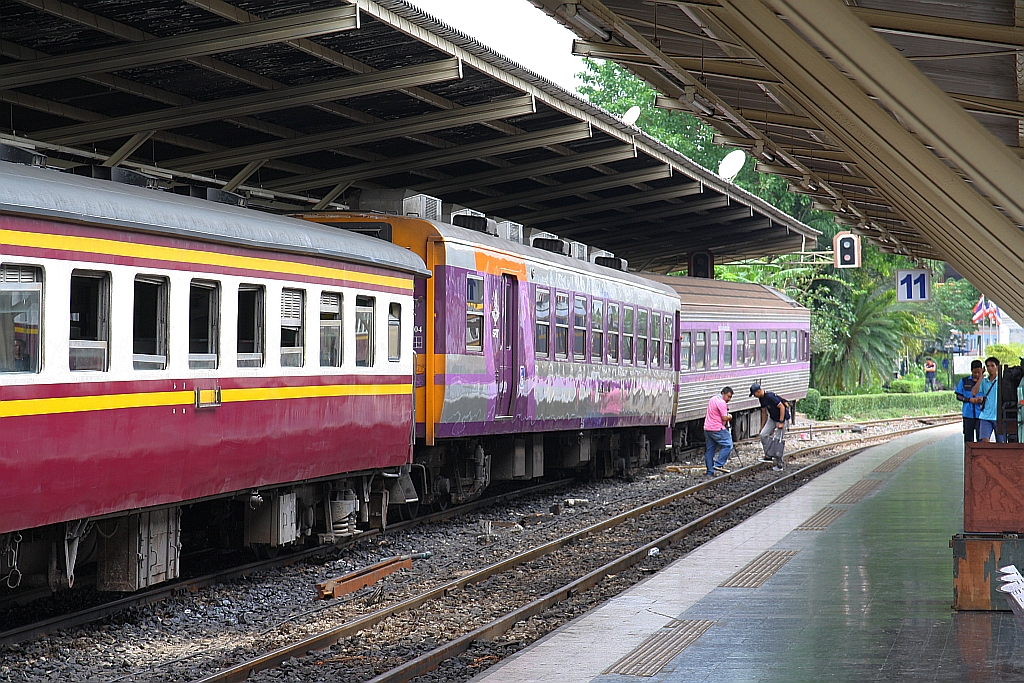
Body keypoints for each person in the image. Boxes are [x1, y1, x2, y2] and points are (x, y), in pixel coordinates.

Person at [751, 383, 790, 471]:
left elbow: (782, 408)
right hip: (772, 419)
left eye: (754, 394)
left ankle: (779, 464)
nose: (754, 396)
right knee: (763, 434)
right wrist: (762, 426)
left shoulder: (770, 396)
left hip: (782, 418)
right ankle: (768, 455)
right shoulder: (761, 399)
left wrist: (781, 422)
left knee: (777, 440)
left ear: (758, 391)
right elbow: (764, 413)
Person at [703, 387, 734, 476]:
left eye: (730, 397)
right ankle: (718, 464)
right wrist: (730, 417)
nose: (729, 399)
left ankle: (710, 472)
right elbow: (724, 417)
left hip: (707, 428)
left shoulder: (712, 399)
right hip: (717, 429)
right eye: (728, 396)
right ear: (723, 393)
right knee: (728, 444)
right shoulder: (721, 402)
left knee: (710, 450)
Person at [974, 356, 1005, 442]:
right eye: (988, 366)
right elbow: (974, 392)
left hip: (998, 416)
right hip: (985, 416)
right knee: (984, 441)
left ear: (997, 367)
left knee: (1001, 442)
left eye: (992, 366)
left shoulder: (1002, 381)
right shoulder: (984, 381)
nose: (990, 368)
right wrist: (980, 376)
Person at [955, 360, 984, 443]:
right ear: (971, 371)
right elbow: (958, 396)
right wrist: (969, 400)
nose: (977, 375)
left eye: (979, 372)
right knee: (968, 438)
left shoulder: (984, 382)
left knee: (981, 438)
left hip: (981, 415)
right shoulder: (964, 381)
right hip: (968, 414)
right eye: (975, 372)